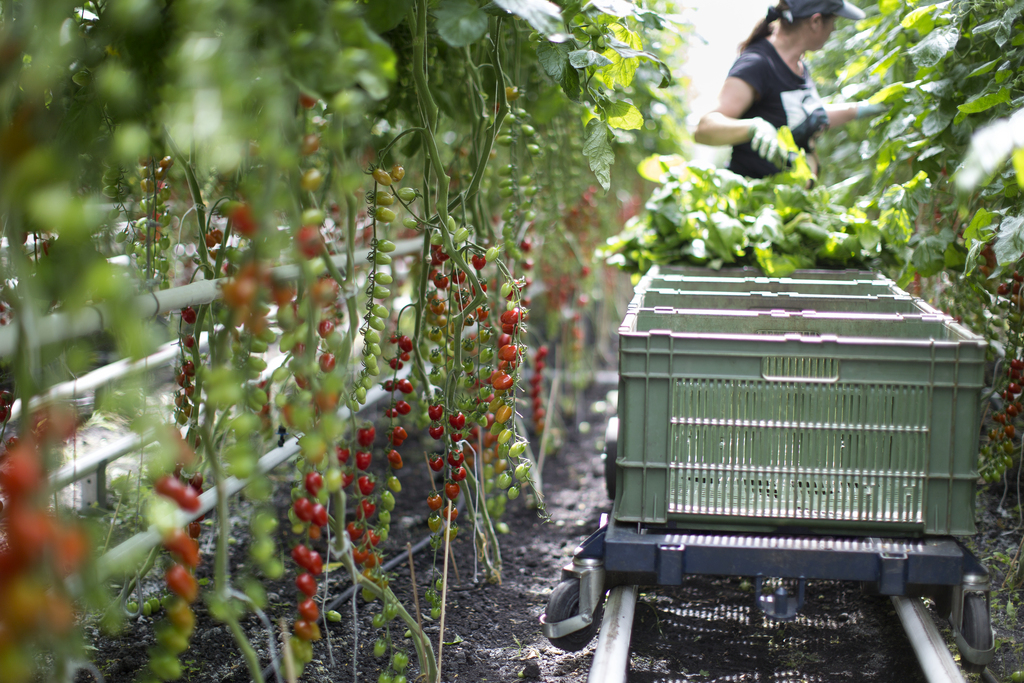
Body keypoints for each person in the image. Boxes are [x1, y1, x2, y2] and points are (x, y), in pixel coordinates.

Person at [694, 0, 886, 179]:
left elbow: (805, 115)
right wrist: (753, 127)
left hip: (790, 203)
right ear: (816, 21)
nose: (834, 29)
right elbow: (704, 129)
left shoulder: (798, 64)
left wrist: (862, 109)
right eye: (833, 21)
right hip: (755, 203)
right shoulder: (758, 64)